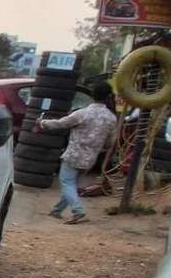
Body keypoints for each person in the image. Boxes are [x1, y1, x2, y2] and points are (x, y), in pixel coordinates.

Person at [37, 81, 117, 224]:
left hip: (74, 155)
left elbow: (61, 124)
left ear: (93, 95)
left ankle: (78, 212)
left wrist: (43, 123)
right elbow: (110, 142)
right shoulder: (111, 118)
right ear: (107, 97)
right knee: (71, 185)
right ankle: (57, 210)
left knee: (66, 183)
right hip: (91, 159)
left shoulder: (83, 113)